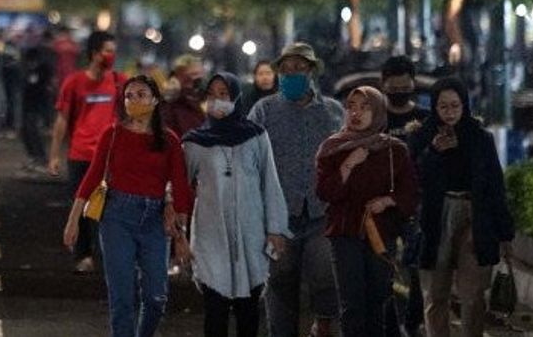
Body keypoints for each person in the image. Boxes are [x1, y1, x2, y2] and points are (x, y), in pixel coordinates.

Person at [63, 75, 192, 337]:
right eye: (129, 96)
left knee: (156, 297)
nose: (134, 101)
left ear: (155, 100)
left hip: (154, 219)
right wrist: (73, 220)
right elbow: (91, 179)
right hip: (117, 217)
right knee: (122, 297)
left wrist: (182, 235)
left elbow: (180, 188)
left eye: (141, 94)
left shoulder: (169, 140)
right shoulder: (112, 135)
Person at [247, 42, 343, 337]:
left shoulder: (332, 112)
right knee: (279, 281)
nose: (291, 75)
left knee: (326, 278)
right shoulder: (264, 111)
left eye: (299, 69)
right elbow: (249, 158)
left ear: (311, 71)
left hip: (321, 213)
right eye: (286, 70)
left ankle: (323, 325)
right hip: (279, 216)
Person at [183, 72, 288, 337]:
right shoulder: (194, 142)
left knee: (248, 309)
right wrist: (177, 231)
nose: (217, 101)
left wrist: (275, 229)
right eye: (211, 95)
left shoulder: (256, 136)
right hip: (211, 234)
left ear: (236, 97)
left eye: (223, 95)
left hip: (250, 233)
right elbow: (180, 185)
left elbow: (270, 183)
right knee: (214, 308)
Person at [409, 77, 514, 337]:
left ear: (464, 105)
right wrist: (433, 152)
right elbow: (412, 177)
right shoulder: (423, 135)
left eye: (455, 106)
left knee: (473, 294)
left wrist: (505, 234)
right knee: (435, 292)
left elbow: (494, 186)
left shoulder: (480, 137)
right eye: (443, 106)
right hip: (436, 216)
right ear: (434, 107)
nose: (450, 112)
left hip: (474, 215)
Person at [315, 86, 418, 337]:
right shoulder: (333, 147)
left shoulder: (395, 150)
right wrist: (349, 163)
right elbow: (325, 192)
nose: (356, 113)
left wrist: (387, 201)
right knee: (352, 304)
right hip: (344, 232)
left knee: (379, 300)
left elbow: (411, 193)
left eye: (365, 107)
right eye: (351, 107)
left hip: (382, 234)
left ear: (379, 111)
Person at [48, 30, 120, 273]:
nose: (111, 56)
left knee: (104, 206)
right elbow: (62, 120)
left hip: (108, 156)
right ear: (94, 53)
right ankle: (83, 254)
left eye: (113, 51)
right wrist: (55, 154)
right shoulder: (74, 83)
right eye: (107, 51)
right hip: (80, 154)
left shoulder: (119, 82)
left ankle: (102, 253)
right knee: (80, 205)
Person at [380, 54, 428, 336]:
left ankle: (413, 322)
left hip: (416, 204)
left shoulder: (423, 119)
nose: (399, 92)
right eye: (394, 88)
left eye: (404, 87)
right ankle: (389, 327)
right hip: (381, 204)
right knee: (383, 268)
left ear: (413, 84)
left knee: (417, 267)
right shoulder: (376, 118)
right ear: (384, 85)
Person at [20, 37, 55, 171]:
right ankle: (34, 157)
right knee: (26, 131)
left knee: (33, 131)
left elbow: (43, 89)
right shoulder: (28, 70)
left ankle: (41, 158)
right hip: (28, 104)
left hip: (38, 105)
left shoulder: (43, 70)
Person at [164, 54, 206, 137]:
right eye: (192, 74)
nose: (194, 79)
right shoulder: (170, 103)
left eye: (197, 74)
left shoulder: (202, 98)